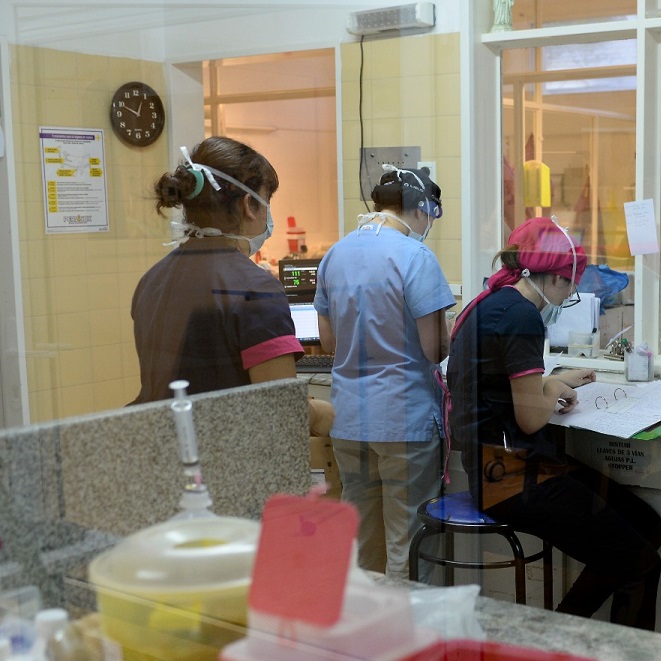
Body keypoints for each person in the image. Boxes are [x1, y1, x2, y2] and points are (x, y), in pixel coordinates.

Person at [446, 216, 661, 630]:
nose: (570, 293)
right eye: (571, 284)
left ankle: (560, 632)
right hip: (514, 479)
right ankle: (560, 639)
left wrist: (549, 383)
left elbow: (495, 386)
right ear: (555, 279)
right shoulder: (522, 316)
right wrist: (548, 393)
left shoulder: (491, 305)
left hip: (494, 469)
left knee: (647, 527)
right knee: (641, 564)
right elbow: (529, 420)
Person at [314, 165, 455, 581]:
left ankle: (367, 635)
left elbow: (329, 345)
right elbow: (434, 349)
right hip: (403, 421)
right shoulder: (416, 256)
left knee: (363, 536)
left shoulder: (335, 254)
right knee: (408, 538)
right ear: (422, 208)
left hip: (349, 420)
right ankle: (405, 639)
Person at [132, 136, 301, 403]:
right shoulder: (256, 289)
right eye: (266, 200)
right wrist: (319, 415)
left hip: (165, 437)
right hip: (227, 441)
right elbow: (280, 408)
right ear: (248, 205)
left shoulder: (152, 280)